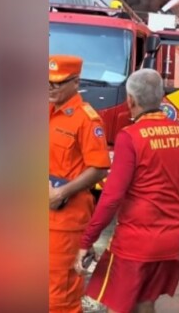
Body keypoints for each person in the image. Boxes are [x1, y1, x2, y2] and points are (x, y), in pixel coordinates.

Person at [76, 68, 179, 313]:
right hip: (169, 241)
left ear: (131, 100)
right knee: (145, 302)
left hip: (134, 244)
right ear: (161, 97)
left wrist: (87, 239)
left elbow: (112, 196)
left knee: (120, 304)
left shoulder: (130, 136)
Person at [49, 55, 111, 313]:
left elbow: (99, 168)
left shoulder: (87, 120)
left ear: (75, 82)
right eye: (47, 83)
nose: (51, 89)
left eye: (57, 84)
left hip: (66, 219)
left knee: (58, 295)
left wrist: (63, 191)